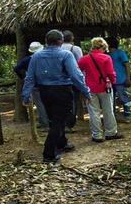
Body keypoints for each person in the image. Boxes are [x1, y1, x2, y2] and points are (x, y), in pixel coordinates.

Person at [22, 30, 91, 164]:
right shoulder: (66, 54)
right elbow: (75, 75)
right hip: (62, 91)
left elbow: (29, 77)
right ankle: (48, 154)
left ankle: (61, 143)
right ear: (60, 41)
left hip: (45, 92)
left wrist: (25, 95)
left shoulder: (36, 56)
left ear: (46, 41)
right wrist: (85, 91)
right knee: (60, 121)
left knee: (55, 119)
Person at [78, 37, 123, 142]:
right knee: (108, 110)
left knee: (94, 112)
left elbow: (77, 71)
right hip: (105, 87)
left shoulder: (84, 59)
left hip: (90, 88)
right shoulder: (106, 58)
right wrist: (112, 82)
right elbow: (111, 74)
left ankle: (97, 135)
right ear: (103, 47)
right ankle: (111, 132)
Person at [13, 41, 49, 130]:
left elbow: (16, 68)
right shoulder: (45, 58)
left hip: (35, 84)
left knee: (40, 104)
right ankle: (46, 121)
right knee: (46, 102)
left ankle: (44, 122)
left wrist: (23, 76)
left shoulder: (27, 60)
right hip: (46, 83)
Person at [106, 37, 131, 120]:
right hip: (109, 80)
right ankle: (113, 116)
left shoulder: (120, 53)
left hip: (120, 80)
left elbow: (127, 65)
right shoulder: (106, 54)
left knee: (123, 97)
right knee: (110, 99)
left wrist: (128, 78)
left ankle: (127, 115)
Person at [61, 30, 83, 130]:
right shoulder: (75, 49)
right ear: (72, 38)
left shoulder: (57, 48)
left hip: (59, 80)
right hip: (73, 80)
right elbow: (81, 64)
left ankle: (62, 122)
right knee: (73, 102)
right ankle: (69, 124)